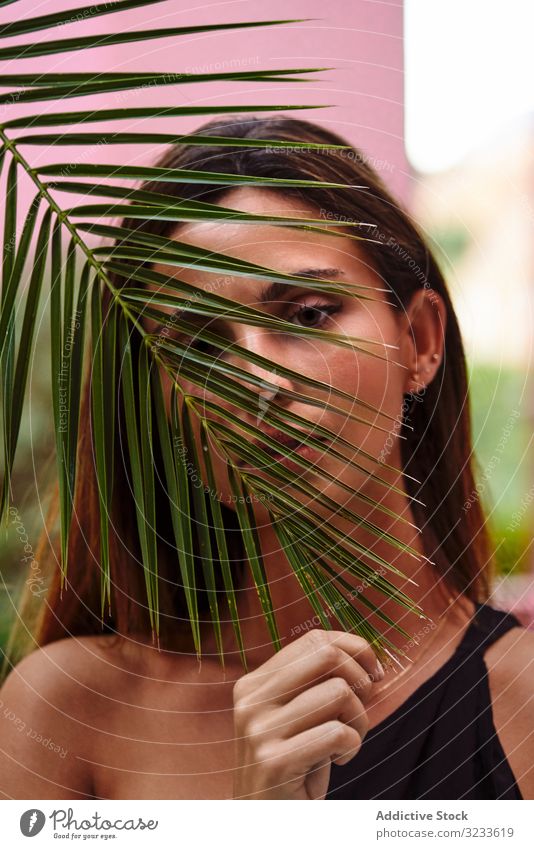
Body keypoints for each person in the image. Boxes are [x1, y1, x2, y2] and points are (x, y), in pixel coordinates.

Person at [0, 116, 532, 801]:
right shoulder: (65, 714)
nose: (257, 378)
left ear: (421, 339)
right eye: (196, 344)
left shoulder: (522, 705)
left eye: (309, 313)